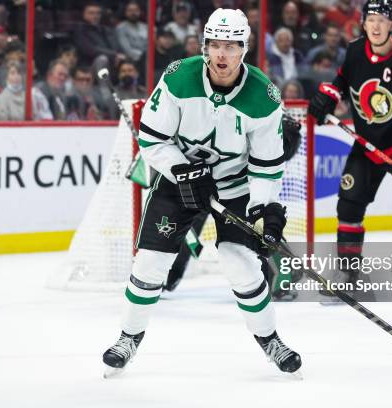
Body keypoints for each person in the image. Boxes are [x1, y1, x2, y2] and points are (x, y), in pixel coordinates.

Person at [102, 8, 302, 376]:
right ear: (204, 46)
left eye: (230, 46)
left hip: (234, 186)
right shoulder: (180, 78)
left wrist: (262, 210)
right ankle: (128, 338)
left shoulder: (265, 98)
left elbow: (265, 168)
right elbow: (153, 139)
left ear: (245, 48)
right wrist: (182, 170)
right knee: (150, 262)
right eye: (214, 45)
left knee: (240, 262)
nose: (221, 55)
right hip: (179, 178)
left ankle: (270, 339)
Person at [308, 0, 392, 301]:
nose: (376, 25)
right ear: (363, 23)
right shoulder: (356, 50)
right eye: (371, 19)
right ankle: (346, 271)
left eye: (383, 19)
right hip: (368, 145)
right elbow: (343, 80)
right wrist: (330, 96)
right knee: (348, 206)